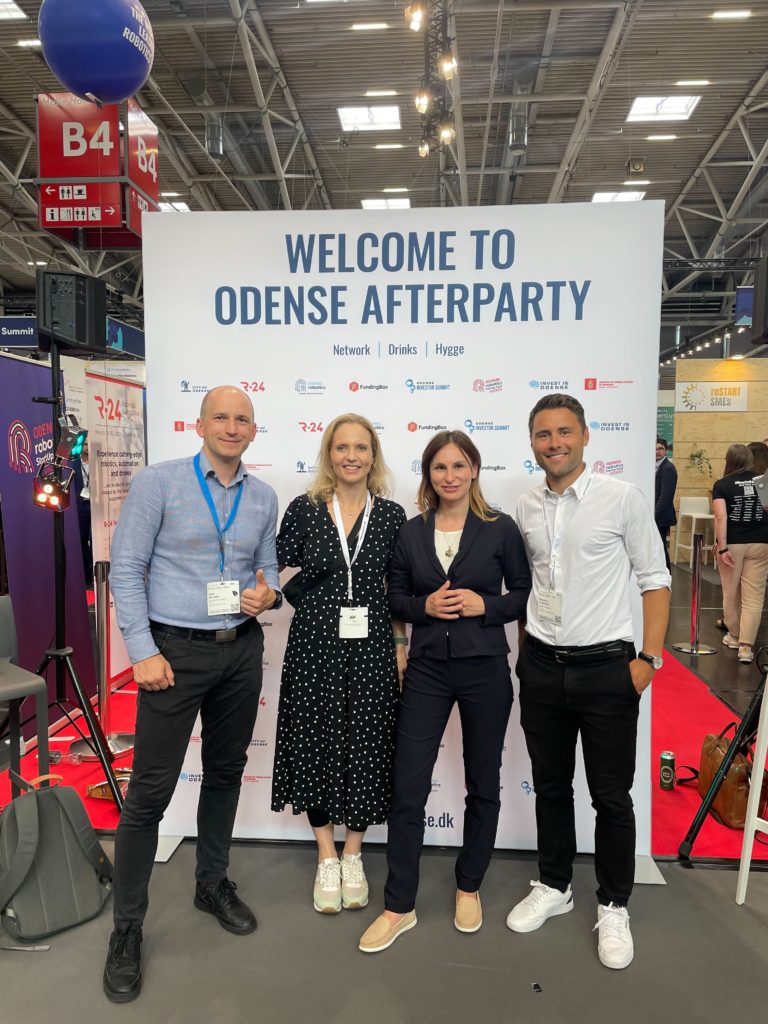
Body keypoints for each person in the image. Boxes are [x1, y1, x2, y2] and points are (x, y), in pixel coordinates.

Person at [103, 386, 281, 1003]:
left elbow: (268, 570)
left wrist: (270, 596)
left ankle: (211, 883)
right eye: (221, 418)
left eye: (242, 419)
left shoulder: (263, 496)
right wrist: (142, 651)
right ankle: (126, 929)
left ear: (254, 430)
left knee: (226, 773)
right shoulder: (159, 483)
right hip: (172, 653)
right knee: (149, 792)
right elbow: (125, 567)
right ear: (200, 424)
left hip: (240, 648)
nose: (231, 428)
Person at [507, 393, 670, 971]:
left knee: (610, 796)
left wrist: (647, 661)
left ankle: (614, 903)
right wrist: (527, 660)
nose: (555, 443)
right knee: (551, 786)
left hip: (608, 669)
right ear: (532, 442)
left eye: (565, 432)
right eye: (544, 434)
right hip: (543, 668)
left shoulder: (621, 498)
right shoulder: (525, 507)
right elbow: (528, 587)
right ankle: (555, 884)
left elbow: (655, 580)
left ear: (585, 435)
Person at [358, 430, 531, 953]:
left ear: (474, 469)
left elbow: (525, 594)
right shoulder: (410, 533)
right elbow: (394, 595)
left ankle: (468, 885)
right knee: (408, 785)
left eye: (459, 465)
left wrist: (488, 607)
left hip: (484, 669)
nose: (449, 476)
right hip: (428, 670)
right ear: (428, 475)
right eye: (439, 467)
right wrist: (422, 609)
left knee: (484, 782)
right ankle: (399, 905)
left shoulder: (500, 530)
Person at [271, 413, 407, 914]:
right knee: (316, 742)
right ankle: (326, 852)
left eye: (361, 448)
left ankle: (355, 851)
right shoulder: (305, 510)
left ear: (374, 456)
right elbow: (271, 563)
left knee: (368, 743)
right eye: (342, 447)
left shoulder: (392, 516)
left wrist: (399, 646)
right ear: (329, 453)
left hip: (372, 647)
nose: (351, 456)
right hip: (314, 648)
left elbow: (397, 591)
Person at [713, 444, 768, 665]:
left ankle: (734, 636)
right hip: (762, 543)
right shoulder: (763, 481)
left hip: (733, 544)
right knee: (754, 596)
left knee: (731, 591)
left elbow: (720, 517)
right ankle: (746, 647)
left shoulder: (722, 484)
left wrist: (722, 547)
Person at [654, 437, 677, 571]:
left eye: (661, 449)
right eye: (655, 449)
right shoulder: (653, 466)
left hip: (660, 517)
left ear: (666, 451)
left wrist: (652, 516)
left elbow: (665, 497)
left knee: (661, 548)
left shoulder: (668, 468)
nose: (657, 451)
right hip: (656, 515)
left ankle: (666, 576)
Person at [72, 440, 93, 585]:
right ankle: (86, 577)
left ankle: (98, 575)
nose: (87, 446)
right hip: (80, 506)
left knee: (98, 540)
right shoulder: (73, 464)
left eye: (89, 443)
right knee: (81, 542)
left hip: (97, 505)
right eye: (84, 443)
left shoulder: (100, 461)